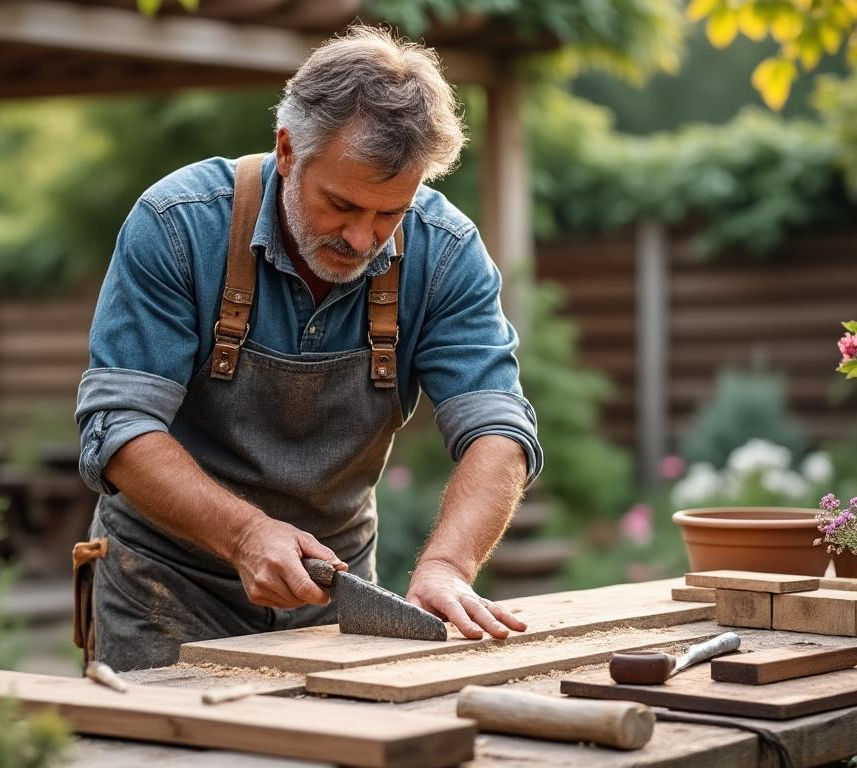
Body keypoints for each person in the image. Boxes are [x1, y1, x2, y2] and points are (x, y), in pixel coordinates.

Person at [73, 25, 543, 672]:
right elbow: (118, 428)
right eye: (342, 204)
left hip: (333, 594)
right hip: (165, 589)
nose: (363, 237)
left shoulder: (445, 253)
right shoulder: (179, 225)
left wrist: (446, 565)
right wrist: (243, 535)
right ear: (288, 150)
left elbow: (499, 428)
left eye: (390, 214)